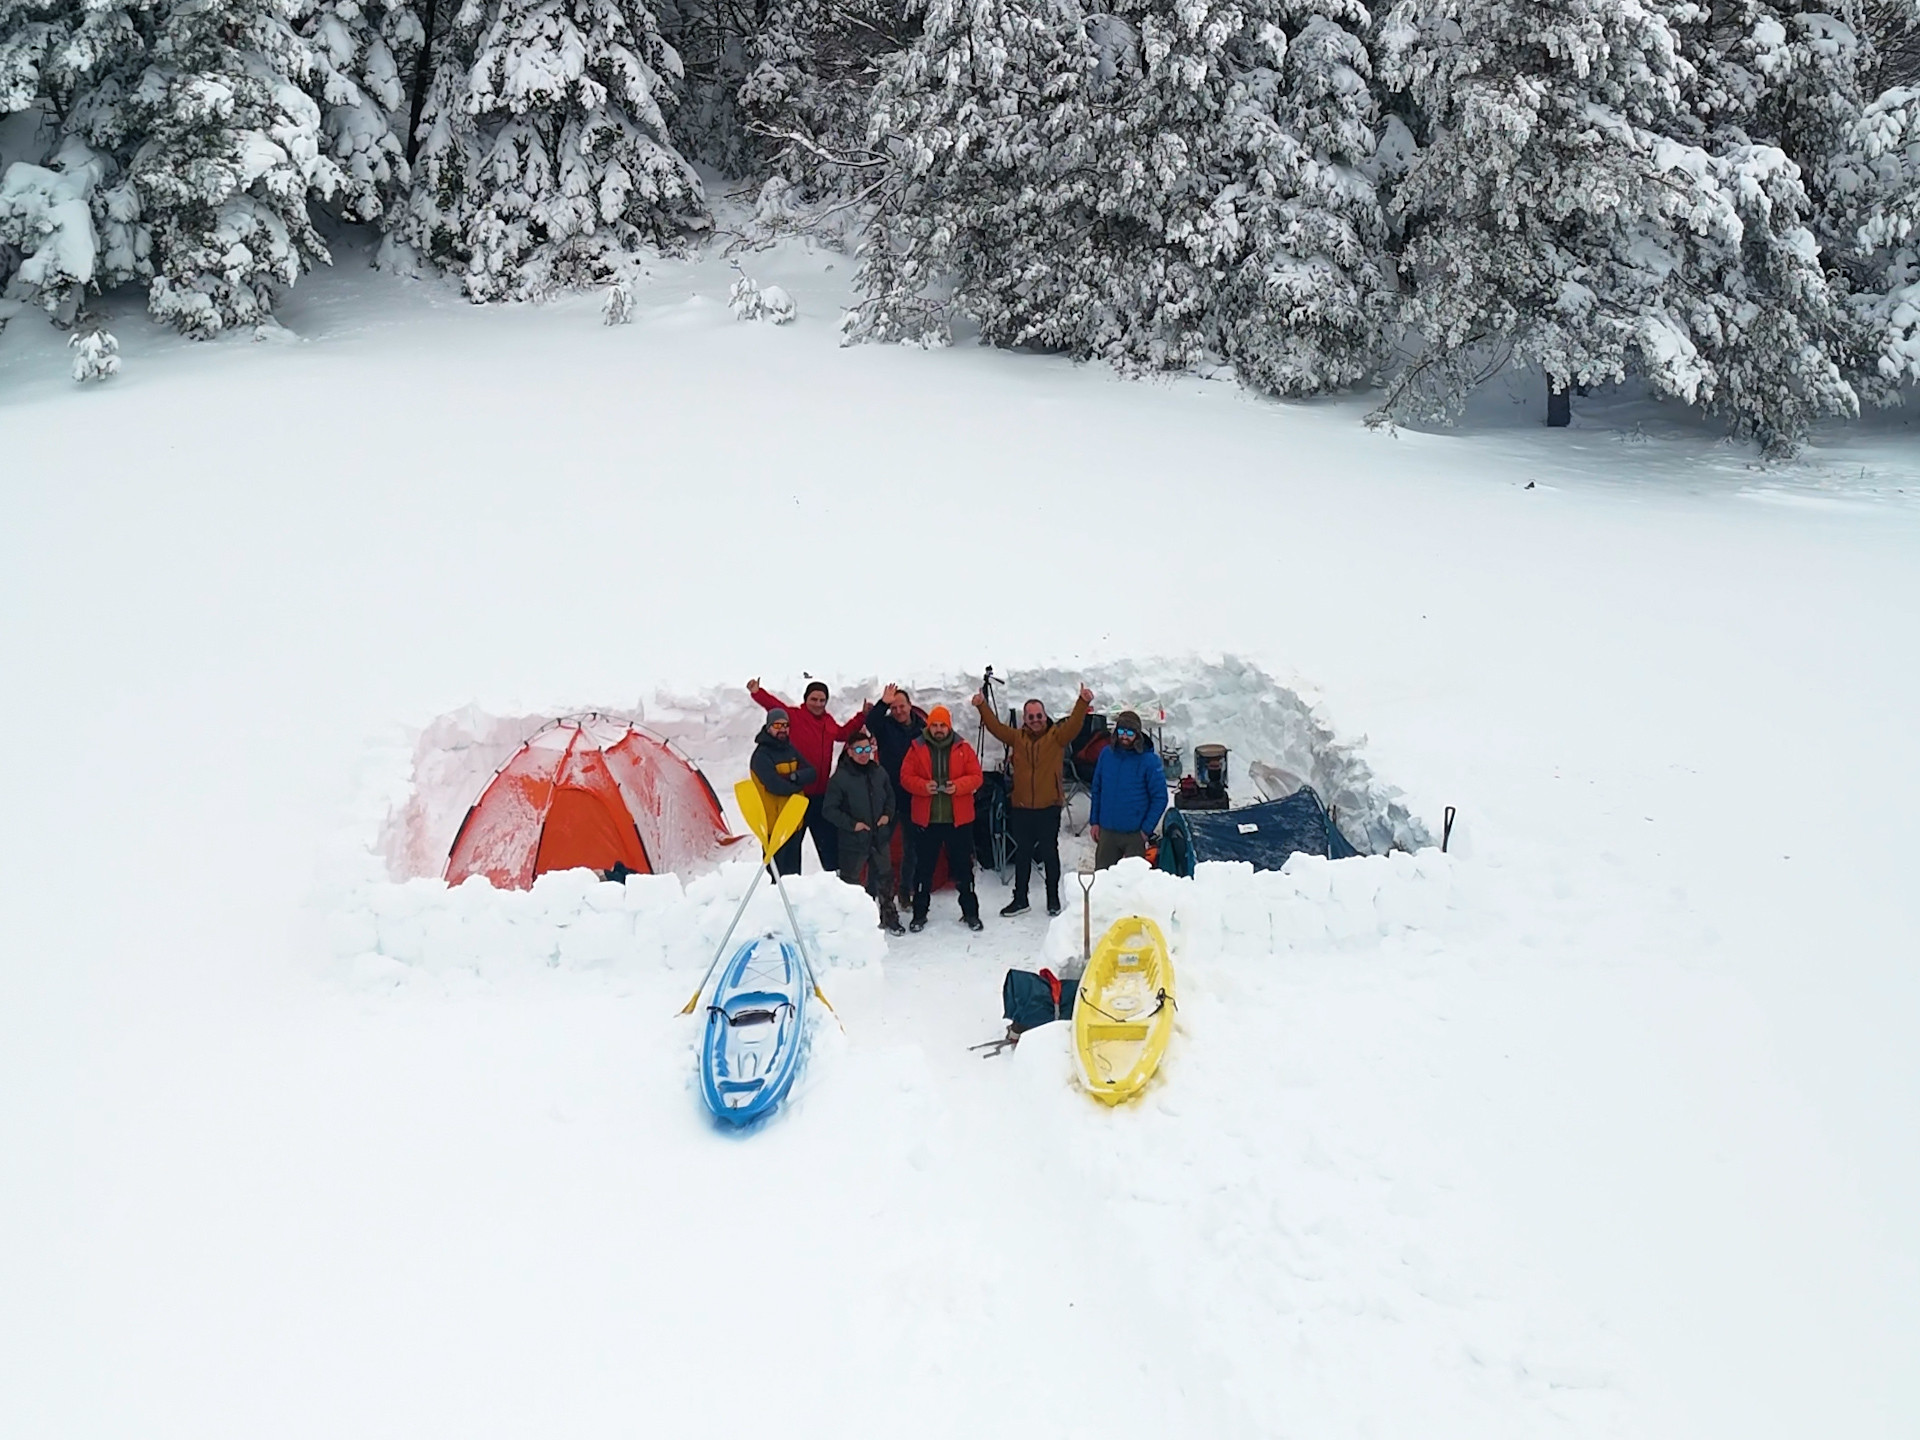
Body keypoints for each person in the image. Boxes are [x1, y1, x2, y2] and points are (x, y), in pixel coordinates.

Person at [971, 682, 1093, 916]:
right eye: (1030, 716)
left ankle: (1053, 899)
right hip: (1022, 807)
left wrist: (1083, 701)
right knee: (1023, 854)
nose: (1035, 720)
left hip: (1049, 807)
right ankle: (1020, 899)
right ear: (1025, 719)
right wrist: (981, 706)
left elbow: (1075, 725)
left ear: (1045, 716)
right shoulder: (1017, 738)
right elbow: (995, 728)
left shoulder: (1057, 737)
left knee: (1049, 853)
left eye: (1039, 715)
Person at [749, 677, 864, 873]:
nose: (818, 704)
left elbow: (844, 734)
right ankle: (781, 884)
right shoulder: (794, 716)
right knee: (789, 847)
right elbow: (774, 708)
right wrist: (757, 692)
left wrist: (863, 716)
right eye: (814, 699)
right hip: (797, 797)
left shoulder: (828, 722)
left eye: (822, 700)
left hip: (822, 796)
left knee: (828, 845)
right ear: (805, 699)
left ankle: (833, 881)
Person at [899, 705, 984, 932]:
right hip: (927, 821)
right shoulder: (916, 748)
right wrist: (923, 787)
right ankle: (919, 914)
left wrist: (957, 787)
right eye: (934, 725)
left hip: (958, 820)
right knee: (923, 870)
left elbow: (976, 777)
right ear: (929, 726)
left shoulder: (963, 747)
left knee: (963, 869)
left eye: (942, 725)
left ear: (949, 726)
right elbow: (906, 777)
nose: (938, 729)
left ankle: (970, 913)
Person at [822, 730, 904, 935]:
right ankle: (852, 924)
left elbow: (890, 798)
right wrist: (852, 824)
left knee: (885, 877)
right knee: (851, 882)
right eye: (858, 749)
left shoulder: (879, 772)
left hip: (879, 838)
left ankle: (889, 916)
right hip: (853, 841)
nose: (863, 753)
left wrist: (887, 815)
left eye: (867, 748)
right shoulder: (840, 778)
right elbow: (829, 810)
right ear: (849, 752)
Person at [863, 683, 925, 903]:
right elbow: (870, 723)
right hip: (887, 796)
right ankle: (872, 893)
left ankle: (906, 890)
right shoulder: (885, 725)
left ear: (910, 706)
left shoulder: (922, 729)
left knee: (912, 848)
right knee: (880, 846)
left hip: (913, 796)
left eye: (902, 706)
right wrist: (882, 704)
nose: (898, 711)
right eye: (894, 708)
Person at [1089, 709, 1167, 869]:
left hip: (1134, 834)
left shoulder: (1149, 760)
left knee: (1131, 885)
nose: (1124, 736)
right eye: (1121, 731)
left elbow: (1160, 798)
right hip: (1107, 832)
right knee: (1102, 881)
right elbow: (1097, 788)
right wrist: (1094, 821)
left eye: (1130, 733)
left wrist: (1145, 830)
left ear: (1137, 734)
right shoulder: (1106, 754)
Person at [749, 708, 816, 875]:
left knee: (793, 875)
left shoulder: (790, 749)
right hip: (774, 825)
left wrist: (792, 777)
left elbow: (812, 772)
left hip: (793, 822)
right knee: (774, 876)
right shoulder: (761, 756)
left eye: (786, 725)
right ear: (768, 726)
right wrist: (799, 784)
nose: (782, 729)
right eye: (777, 725)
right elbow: (776, 786)